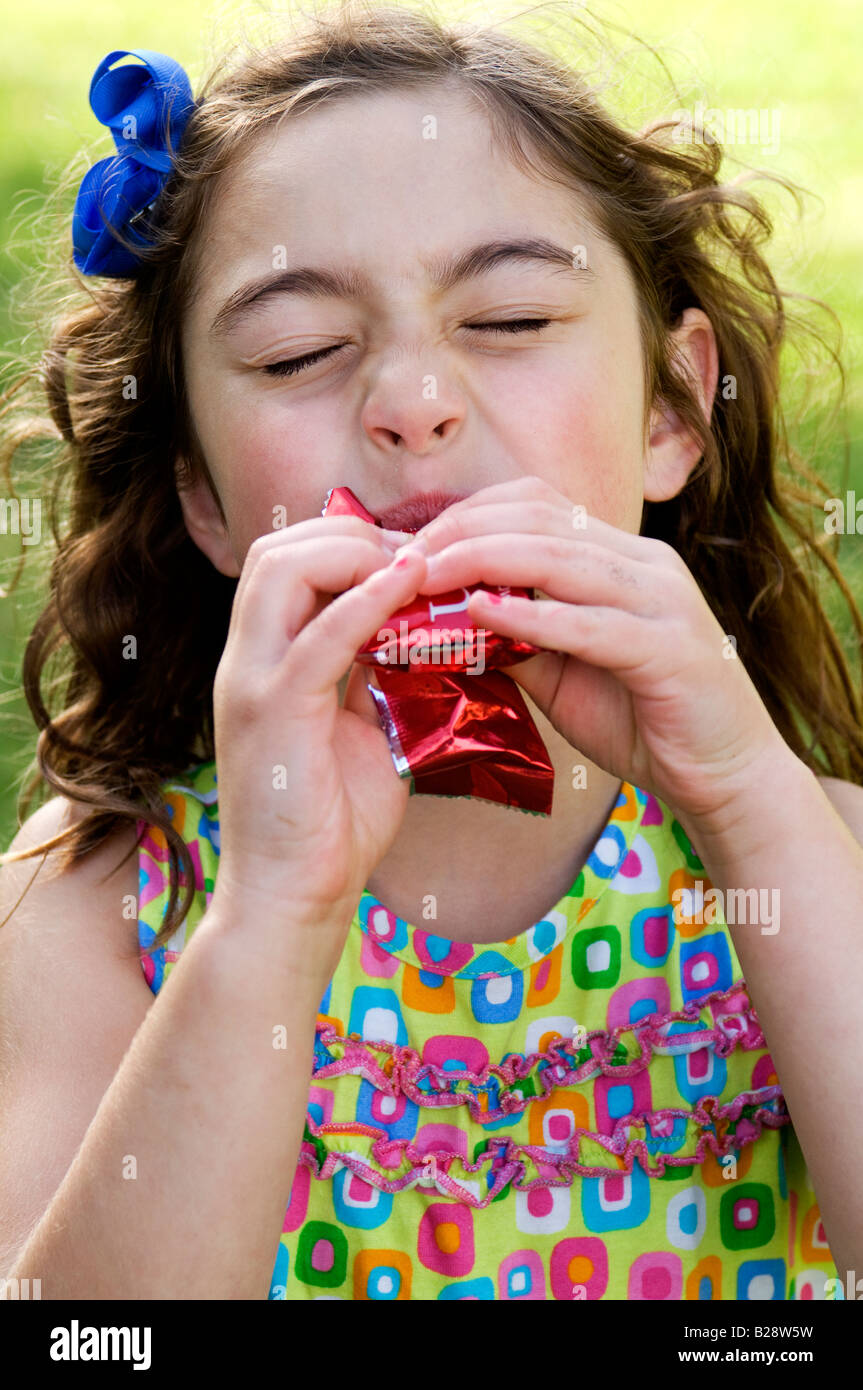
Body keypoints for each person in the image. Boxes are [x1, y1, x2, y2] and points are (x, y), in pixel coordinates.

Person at [2, 2, 863, 1301]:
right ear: (200, 492)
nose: (411, 406)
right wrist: (272, 917)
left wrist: (750, 798)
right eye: (300, 349)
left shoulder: (821, 856)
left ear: (673, 408)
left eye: (510, 320)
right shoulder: (94, 915)